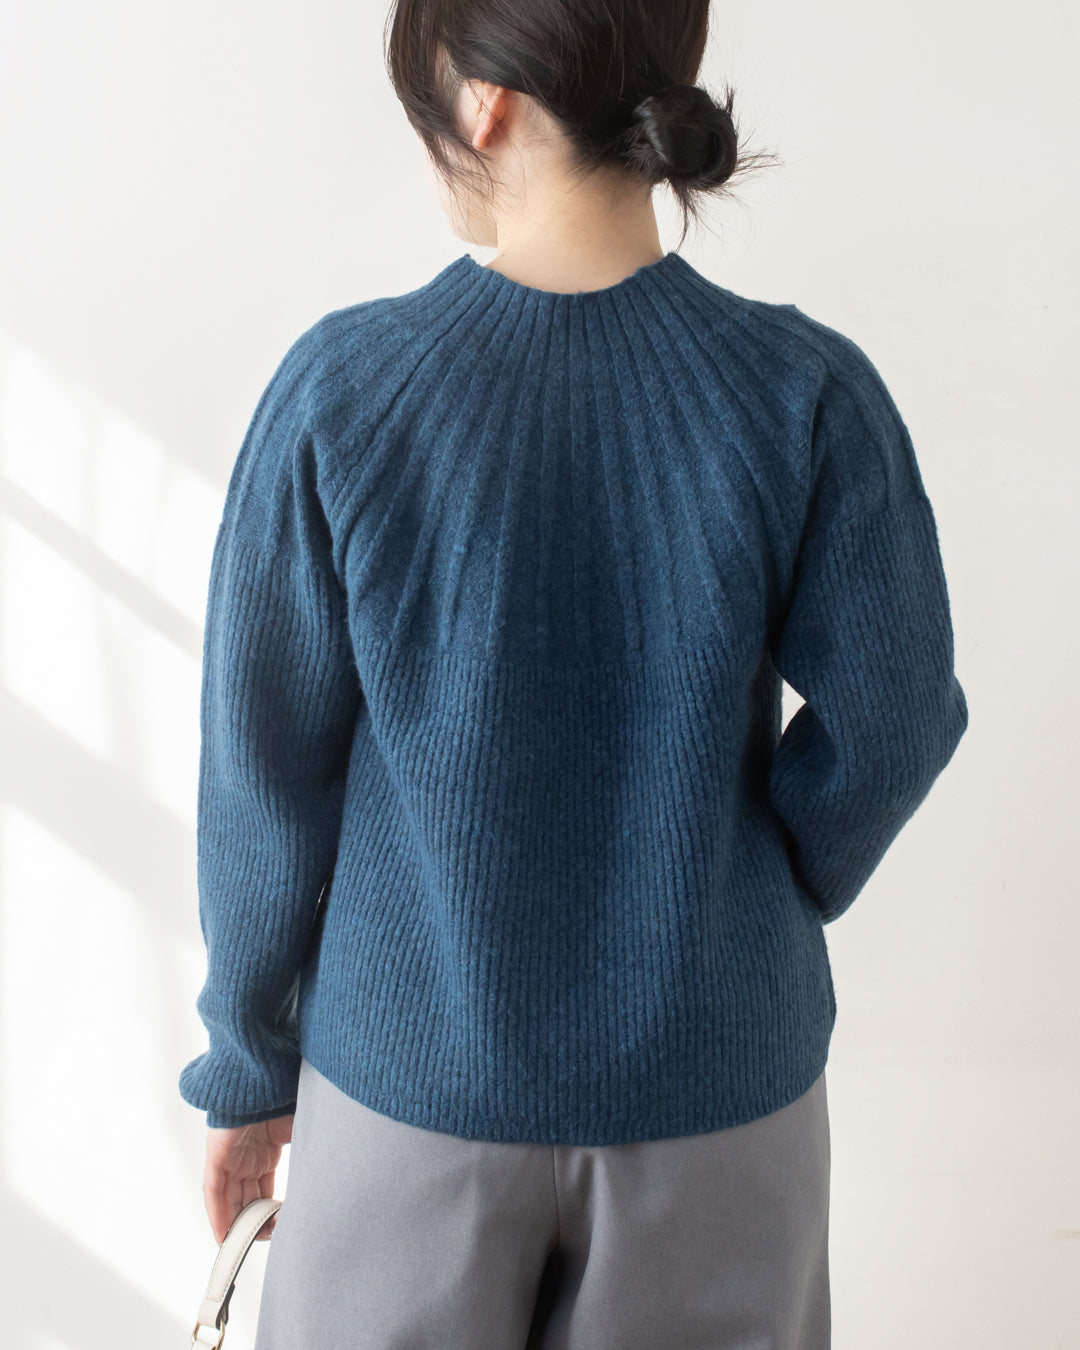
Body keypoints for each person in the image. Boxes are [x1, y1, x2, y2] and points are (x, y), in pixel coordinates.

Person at [178, 1, 970, 1346]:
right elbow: (896, 715)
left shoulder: (340, 394)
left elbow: (262, 776)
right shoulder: (806, 393)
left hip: (407, 1098)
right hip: (720, 1096)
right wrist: (758, 890)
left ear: (483, 100)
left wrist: (248, 1067)